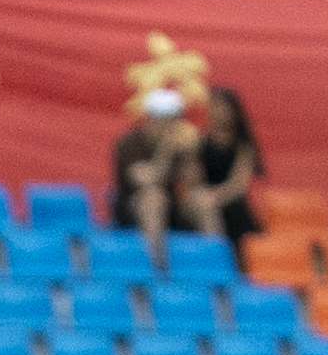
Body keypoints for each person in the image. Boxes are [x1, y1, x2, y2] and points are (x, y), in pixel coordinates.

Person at [108, 87, 199, 251]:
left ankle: (215, 258)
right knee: (153, 198)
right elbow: (145, 180)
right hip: (133, 207)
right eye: (165, 120)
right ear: (150, 119)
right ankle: (157, 261)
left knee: (203, 200)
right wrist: (167, 149)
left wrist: (191, 155)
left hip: (172, 206)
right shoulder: (130, 143)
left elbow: (195, 182)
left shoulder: (184, 144)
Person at [189, 86, 265, 248]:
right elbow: (194, 179)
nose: (219, 112)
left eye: (223, 108)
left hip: (231, 203)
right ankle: (215, 254)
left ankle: (223, 255)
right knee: (201, 206)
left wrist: (215, 197)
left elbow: (239, 185)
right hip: (204, 199)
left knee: (212, 206)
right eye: (214, 107)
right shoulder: (200, 142)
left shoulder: (243, 145)